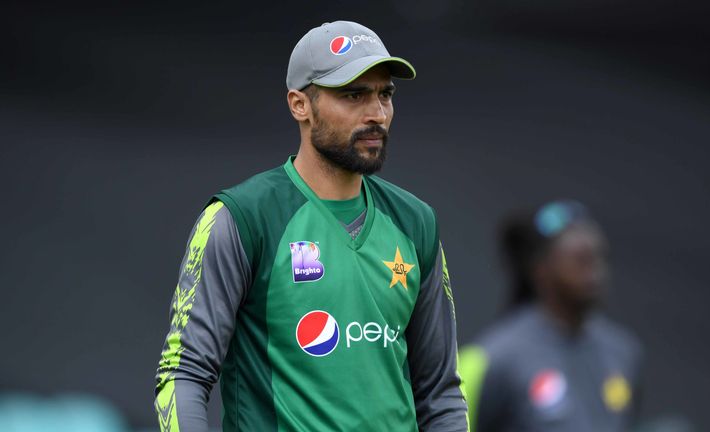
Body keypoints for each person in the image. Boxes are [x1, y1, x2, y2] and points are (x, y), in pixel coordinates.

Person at [153, 20, 468, 432]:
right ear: (300, 104)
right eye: (354, 95)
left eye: (385, 95)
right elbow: (183, 373)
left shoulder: (416, 222)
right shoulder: (243, 217)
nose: (377, 113)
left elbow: (440, 393)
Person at [459, 200, 644, 432]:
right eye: (581, 260)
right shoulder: (489, 360)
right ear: (540, 269)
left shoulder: (623, 351)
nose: (596, 273)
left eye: (599, 258)